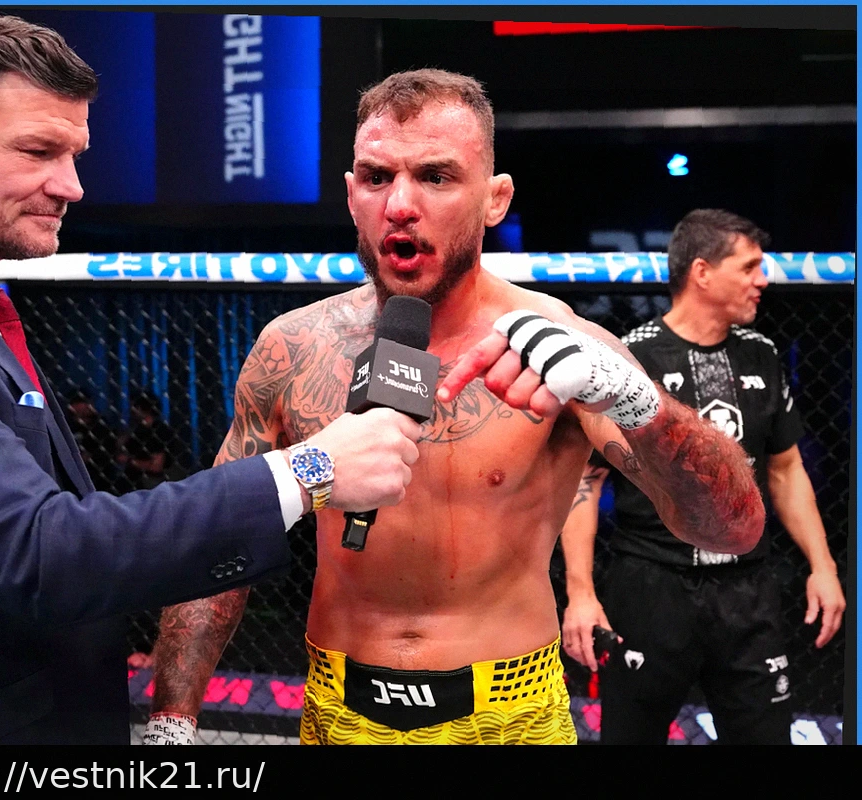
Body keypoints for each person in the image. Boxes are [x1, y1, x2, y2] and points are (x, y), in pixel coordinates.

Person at [0, 12, 424, 745]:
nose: (70, 186)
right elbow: (42, 555)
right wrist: (309, 470)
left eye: (75, 155)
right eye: (38, 150)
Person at [142, 69, 765, 746]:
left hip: (510, 714)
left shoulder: (564, 346)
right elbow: (224, 538)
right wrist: (172, 721)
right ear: (351, 195)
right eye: (377, 177)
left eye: (436, 176)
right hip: (337, 708)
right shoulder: (293, 349)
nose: (400, 205)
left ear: (495, 199)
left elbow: (730, 531)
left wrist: (639, 402)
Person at [559, 209, 846, 745]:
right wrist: (581, 593)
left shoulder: (762, 355)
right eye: (750, 266)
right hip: (651, 585)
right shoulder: (629, 358)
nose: (764, 280)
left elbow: (786, 469)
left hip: (747, 588)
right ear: (702, 272)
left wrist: (823, 566)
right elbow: (586, 481)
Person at [120, 391, 189, 491]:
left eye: (133, 407)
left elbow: (156, 466)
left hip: (157, 484)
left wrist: (130, 461)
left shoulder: (160, 431)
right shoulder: (138, 432)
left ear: (140, 408)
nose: (130, 411)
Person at [62, 389, 122, 493]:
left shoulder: (100, 424)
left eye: (87, 402)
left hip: (100, 475)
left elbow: (109, 450)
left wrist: (90, 456)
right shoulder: (66, 424)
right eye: (81, 403)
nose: (87, 406)